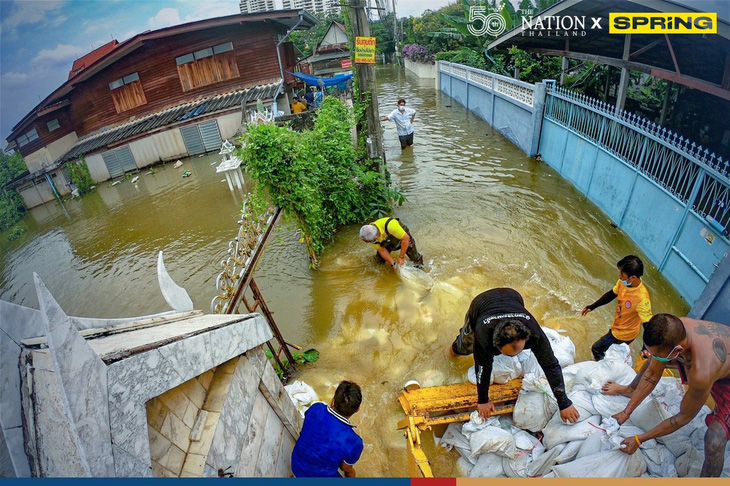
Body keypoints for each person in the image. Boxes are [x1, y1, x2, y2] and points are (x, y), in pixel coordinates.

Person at [605, 314, 730, 477]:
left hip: (722, 375)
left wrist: (639, 439)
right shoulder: (673, 328)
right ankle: (630, 390)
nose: (653, 356)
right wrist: (626, 411)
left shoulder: (702, 371)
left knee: (714, 440)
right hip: (719, 364)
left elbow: (682, 418)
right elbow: (652, 372)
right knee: (655, 359)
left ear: (678, 350)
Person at [450, 288, 580, 422]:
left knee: (544, 357)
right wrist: (483, 401)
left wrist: (564, 403)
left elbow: (551, 365)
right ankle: (451, 353)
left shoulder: (534, 333)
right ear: (496, 345)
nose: (513, 357)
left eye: (517, 351)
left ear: (526, 337)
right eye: (508, 354)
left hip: (513, 297)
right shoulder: (484, 335)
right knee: (463, 347)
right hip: (481, 303)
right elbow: (483, 368)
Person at [581, 255, 652, 360]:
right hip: (617, 326)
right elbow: (611, 295)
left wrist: (644, 348)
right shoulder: (624, 283)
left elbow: (648, 326)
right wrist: (592, 307)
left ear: (632, 277)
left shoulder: (642, 298)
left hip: (625, 334)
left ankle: (605, 368)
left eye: (622, 274)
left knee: (596, 349)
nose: (620, 276)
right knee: (613, 351)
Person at [291, 381, 364, 477]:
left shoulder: (316, 408)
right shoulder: (355, 442)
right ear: (357, 409)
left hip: (296, 465)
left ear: (332, 400)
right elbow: (345, 468)